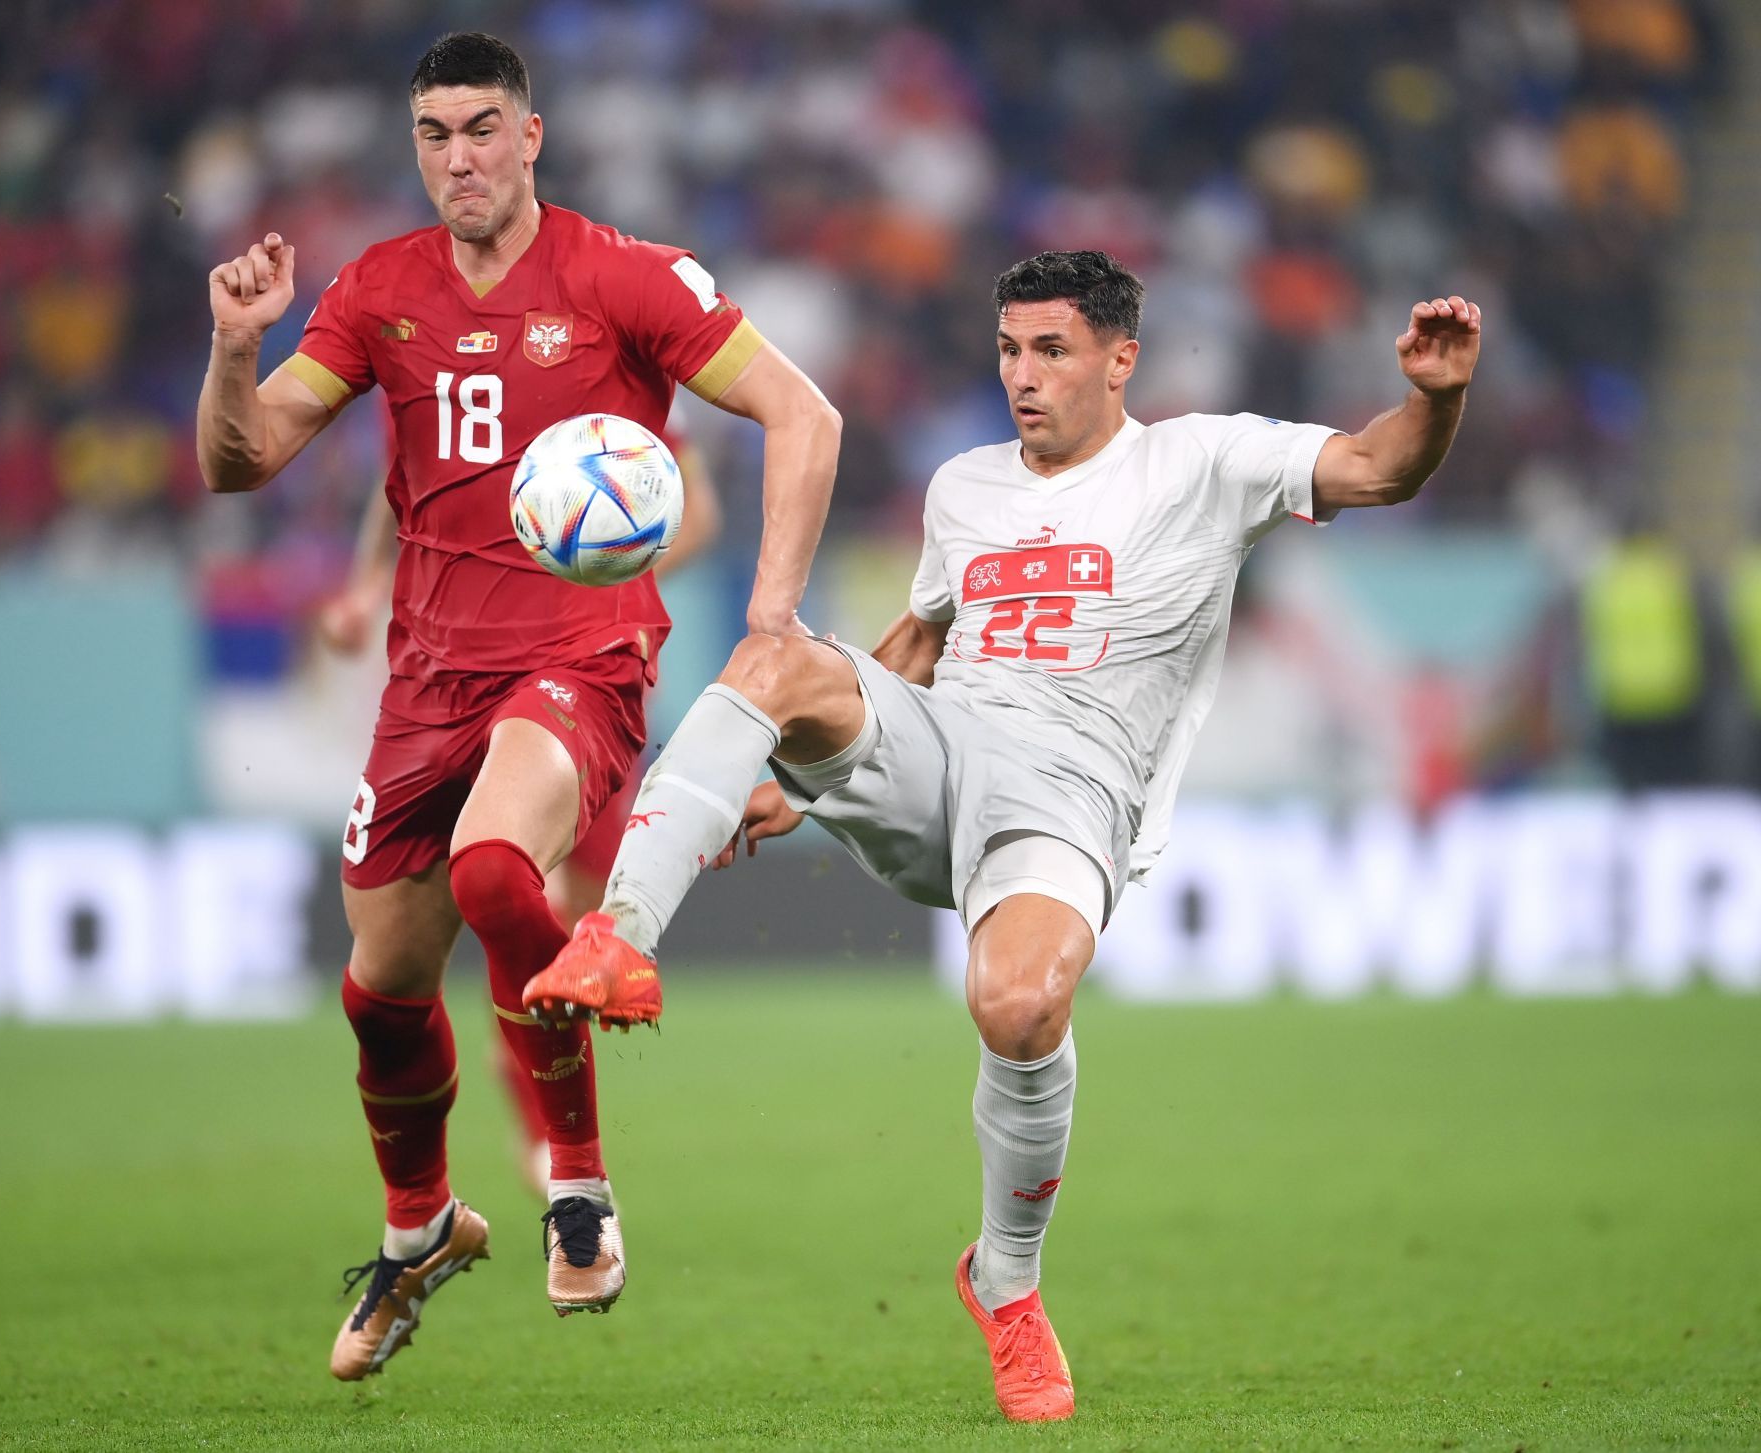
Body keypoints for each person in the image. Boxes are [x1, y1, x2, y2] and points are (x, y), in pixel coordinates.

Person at [524, 251, 1481, 1421]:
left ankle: (1006, 1286)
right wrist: (804, 770)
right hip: (944, 749)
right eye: (1008, 351)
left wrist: (1434, 396)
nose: (1021, 378)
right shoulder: (963, 486)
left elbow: (1381, 465)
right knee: (774, 658)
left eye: (1051, 352)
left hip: (1074, 797)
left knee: (1020, 1006)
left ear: (1121, 360)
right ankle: (619, 932)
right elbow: (919, 648)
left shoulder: (1206, 460)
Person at [195, 31, 840, 1381]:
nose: (459, 158)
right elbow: (242, 461)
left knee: (500, 870)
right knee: (381, 990)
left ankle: (581, 1191)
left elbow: (805, 414)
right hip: (429, 681)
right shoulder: (379, 292)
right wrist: (231, 348)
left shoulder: (623, 277)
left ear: (532, 135)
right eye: (433, 134)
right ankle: (420, 1225)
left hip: (582, 662)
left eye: (483, 128)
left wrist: (769, 618)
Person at [315, 432, 724, 1193]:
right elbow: (398, 479)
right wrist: (367, 588)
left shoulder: (618, 410)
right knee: (524, 891)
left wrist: (602, 561)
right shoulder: (451, 379)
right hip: (472, 678)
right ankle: (546, 1140)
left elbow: (698, 514)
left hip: (586, 676)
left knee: (569, 922)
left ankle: (548, 1124)